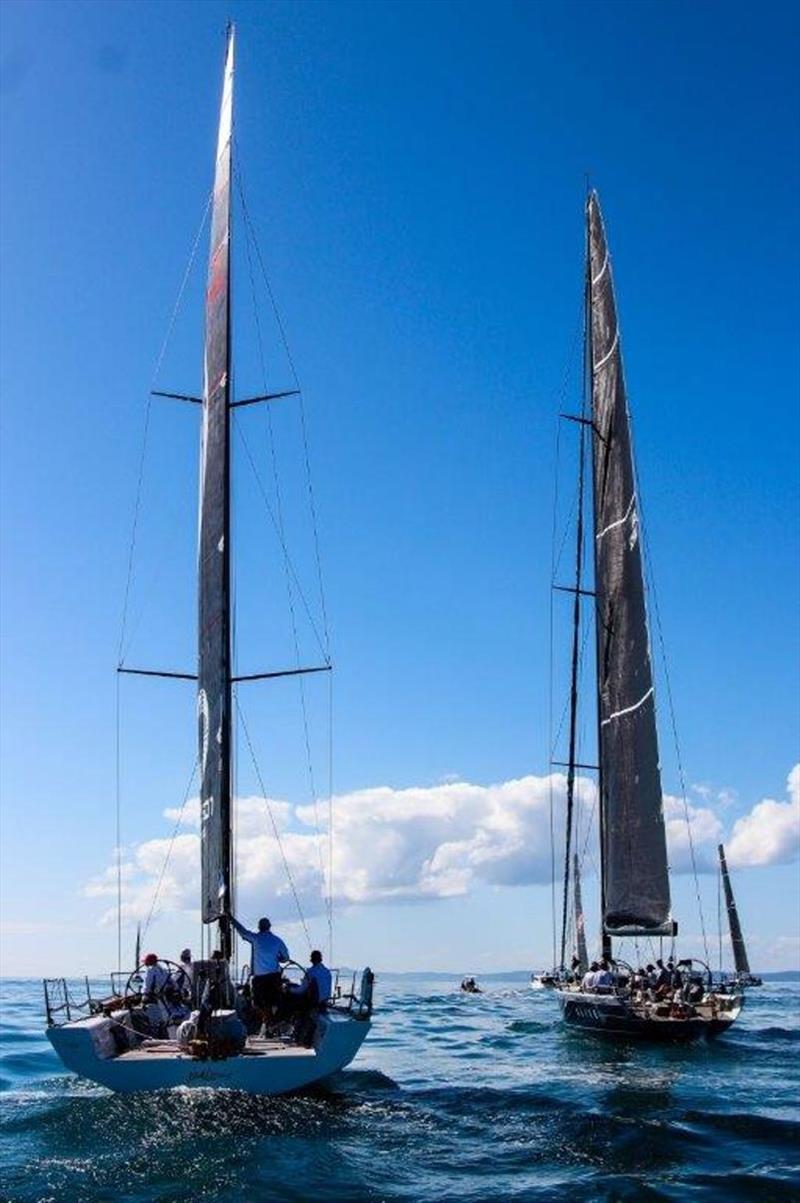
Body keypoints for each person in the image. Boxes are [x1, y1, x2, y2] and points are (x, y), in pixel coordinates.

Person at [229, 913, 289, 1025]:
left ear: (259, 927)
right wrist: (279, 959)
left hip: (259, 978)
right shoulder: (277, 940)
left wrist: (232, 920)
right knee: (273, 1002)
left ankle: (267, 1020)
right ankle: (270, 1021)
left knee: (257, 1003)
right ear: (269, 927)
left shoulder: (256, 938)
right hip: (274, 977)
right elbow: (286, 958)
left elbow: (243, 931)